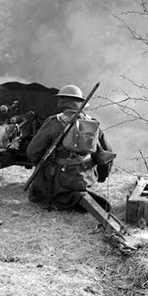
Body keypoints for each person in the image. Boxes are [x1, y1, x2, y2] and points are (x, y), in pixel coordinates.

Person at [26, 84, 114, 212]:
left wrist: (41, 167)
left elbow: (32, 152)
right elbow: (107, 154)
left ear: (61, 100)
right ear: (80, 102)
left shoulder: (53, 122)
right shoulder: (92, 123)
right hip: (86, 179)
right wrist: (101, 177)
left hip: (58, 180)